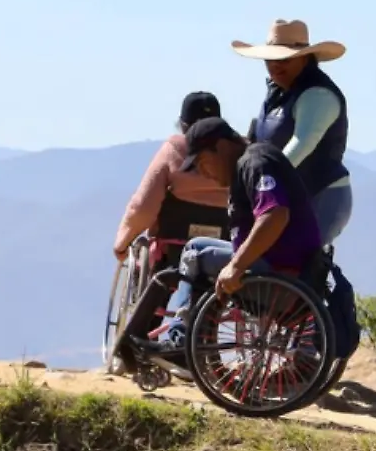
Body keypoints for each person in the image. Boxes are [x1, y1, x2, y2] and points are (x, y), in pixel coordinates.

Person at [134, 117, 323, 355]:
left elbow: (275, 214)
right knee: (196, 245)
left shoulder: (254, 162)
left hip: (281, 275)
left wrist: (236, 265)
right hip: (279, 268)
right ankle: (198, 342)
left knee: (195, 254)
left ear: (222, 146)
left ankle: (181, 341)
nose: (203, 172)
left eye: (203, 162)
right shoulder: (247, 165)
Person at [110, 92, 231, 365]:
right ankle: (204, 347)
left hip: (173, 248)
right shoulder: (235, 153)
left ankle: (142, 342)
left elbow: (143, 205)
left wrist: (123, 241)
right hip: (224, 249)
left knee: (157, 272)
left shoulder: (174, 149)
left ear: (183, 124)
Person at [232, 19, 354, 244]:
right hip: (287, 197)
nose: (275, 66)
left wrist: (258, 184)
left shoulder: (318, 95)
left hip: (321, 196)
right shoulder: (277, 93)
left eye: (284, 59)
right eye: (271, 59)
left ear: (304, 58)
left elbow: (301, 144)